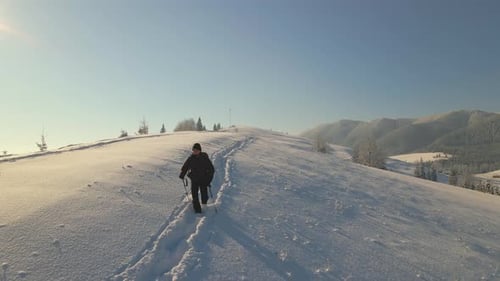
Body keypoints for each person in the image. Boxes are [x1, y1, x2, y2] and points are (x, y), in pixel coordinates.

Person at [179, 143, 215, 213]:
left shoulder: (204, 158)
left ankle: (204, 205)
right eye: (194, 150)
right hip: (194, 179)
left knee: (204, 193)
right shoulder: (191, 158)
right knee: (194, 194)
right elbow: (185, 167)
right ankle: (197, 210)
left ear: (200, 150)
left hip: (203, 179)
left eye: (196, 150)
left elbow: (211, 169)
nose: (195, 151)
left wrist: (208, 180)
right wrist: (182, 174)